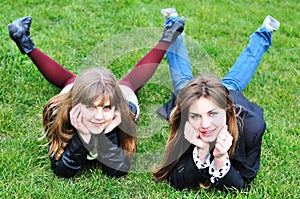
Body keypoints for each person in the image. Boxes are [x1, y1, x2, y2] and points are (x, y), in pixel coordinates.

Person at [8, 15, 185, 178]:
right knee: (74, 81)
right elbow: (61, 170)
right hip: (72, 98)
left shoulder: (124, 113)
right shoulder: (58, 112)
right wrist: (82, 136)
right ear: (76, 104)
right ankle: (24, 41)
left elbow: (116, 172)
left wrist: (111, 133)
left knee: (129, 84)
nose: (99, 116)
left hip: (122, 104)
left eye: (106, 107)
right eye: (91, 107)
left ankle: (167, 38)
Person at [153, 8, 280, 192]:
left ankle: (264, 32)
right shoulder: (186, 118)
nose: (205, 125)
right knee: (182, 81)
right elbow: (175, 178)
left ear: (226, 110)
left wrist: (220, 158)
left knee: (233, 81)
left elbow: (242, 183)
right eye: (196, 116)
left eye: (212, 114)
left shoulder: (252, 127)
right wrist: (201, 152)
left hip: (228, 94)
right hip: (197, 97)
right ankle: (173, 23)